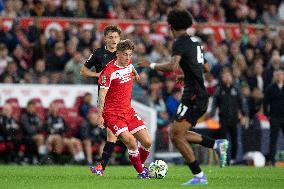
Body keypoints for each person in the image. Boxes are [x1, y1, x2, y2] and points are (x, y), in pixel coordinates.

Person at [138, 8, 228, 185]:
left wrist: (151, 65)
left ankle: (199, 176)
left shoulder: (180, 42)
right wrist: (186, 74)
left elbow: (172, 66)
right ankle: (216, 145)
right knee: (177, 133)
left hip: (193, 95)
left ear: (170, 26)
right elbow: (206, 68)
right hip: (196, 94)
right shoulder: (196, 42)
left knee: (177, 136)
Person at [80, 25, 139, 174]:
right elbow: (83, 71)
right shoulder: (99, 53)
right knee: (112, 133)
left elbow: (130, 65)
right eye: (111, 37)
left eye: (116, 37)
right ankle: (109, 164)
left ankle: (104, 166)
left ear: (120, 38)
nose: (114, 40)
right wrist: (98, 75)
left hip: (122, 99)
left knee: (113, 134)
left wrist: (135, 73)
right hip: (106, 98)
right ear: (105, 38)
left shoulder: (123, 53)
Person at [92, 39, 151, 179]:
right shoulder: (108, 71)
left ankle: (139, 165)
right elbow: (101, 95)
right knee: (131, 141)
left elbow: (130, 66)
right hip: (112, 114)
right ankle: (141, 173)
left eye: (130, 55)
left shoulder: (128, 63)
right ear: (117, 54)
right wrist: (100, 115)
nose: (128, 58)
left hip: (128, 111)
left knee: (147, 142)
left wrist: (135, 73)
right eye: (125, 54)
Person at [209, 70, 248, 164]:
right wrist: (212, 114)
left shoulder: (236, 88)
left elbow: (242, 102)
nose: (227, 78)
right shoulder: (219, 89)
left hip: (234, 119)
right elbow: (214, 102)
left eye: (228, 76)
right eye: (225, 76)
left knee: (234, 139)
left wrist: (244, 114)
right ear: (222, 78)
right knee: (223, 140)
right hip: (223, 118)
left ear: (231, 78)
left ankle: (233, 159)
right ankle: (224, 158)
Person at [264, 70, 284, 165]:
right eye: (277, 75)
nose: (279, 77)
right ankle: (272, 160)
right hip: (275, 117)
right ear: (274, 77)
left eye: (280, 75)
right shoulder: (270, 88)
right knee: (273, 139)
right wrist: (267, 115)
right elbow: (265, 103)